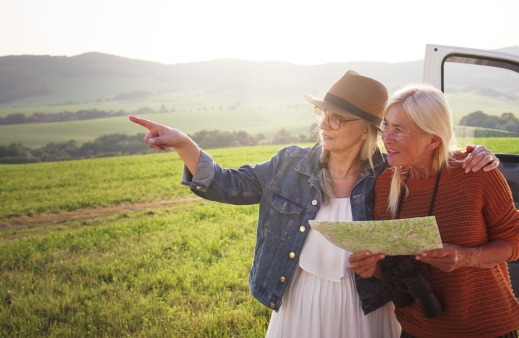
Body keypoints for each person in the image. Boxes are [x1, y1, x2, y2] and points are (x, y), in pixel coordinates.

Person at [130, 71, 499, 337]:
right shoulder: (289, 163)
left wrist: (473, 154)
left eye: (338, 117)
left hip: (367, 305)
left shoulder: (390, 171)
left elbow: (431, 156)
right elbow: (230, 185)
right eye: (323, 113)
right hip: (300, 301)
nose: (326, 123)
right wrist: (185, 145)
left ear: (368, 129)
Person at [349, 83, 519, 338]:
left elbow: (514, 242)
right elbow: (390, 263)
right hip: (416, 330)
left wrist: (467, 257)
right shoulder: (387, 184)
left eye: (399, 129)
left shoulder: (476, 174)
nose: (386, 137)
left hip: (486, 329)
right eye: (386, 125)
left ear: (433, 139)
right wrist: (370, 267)